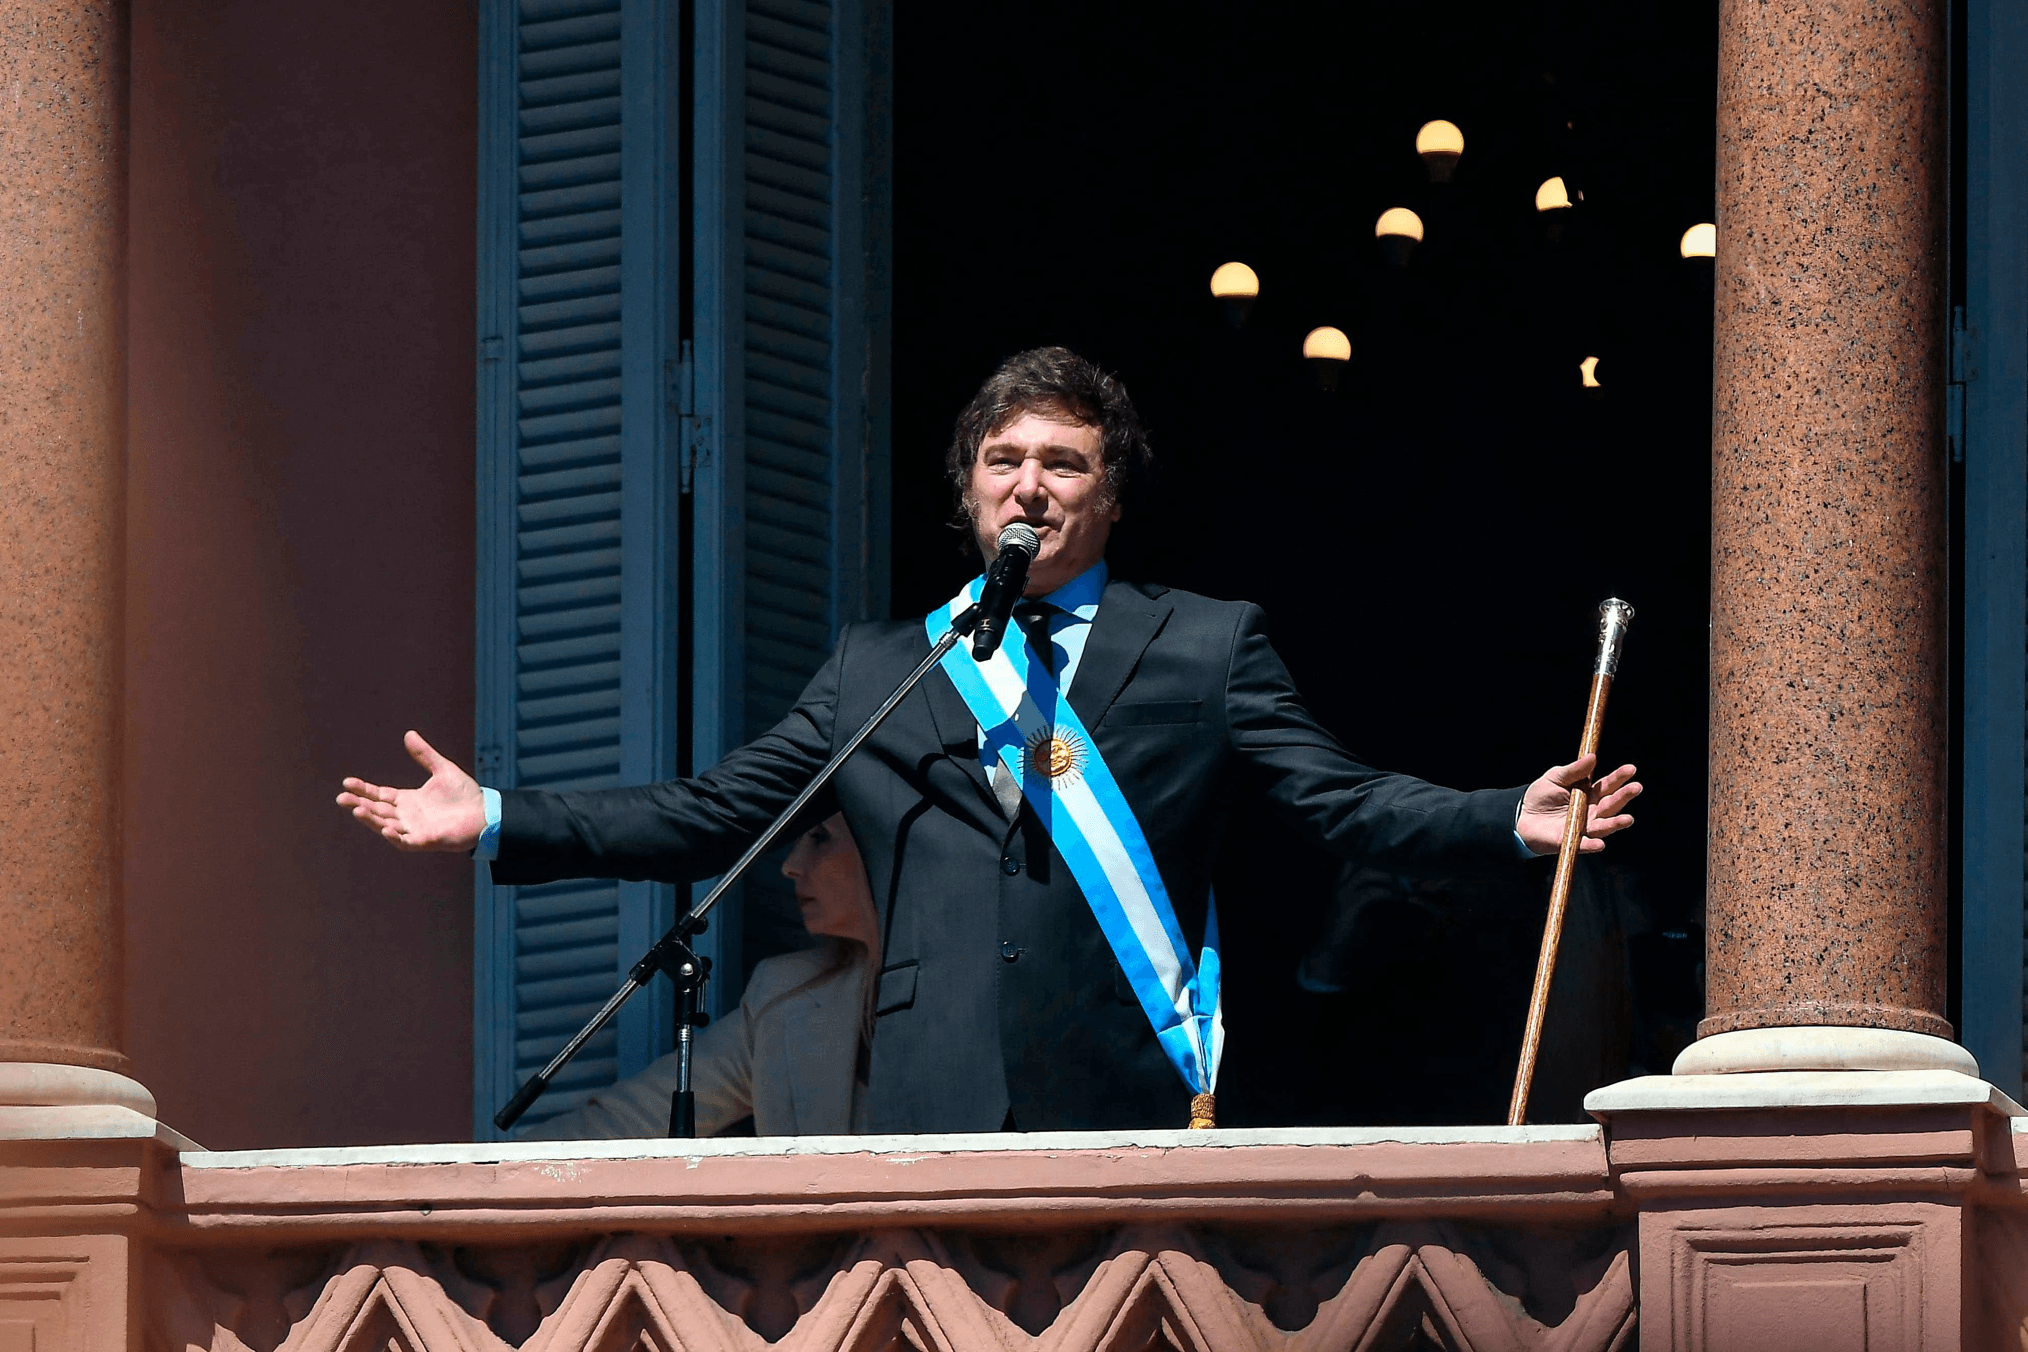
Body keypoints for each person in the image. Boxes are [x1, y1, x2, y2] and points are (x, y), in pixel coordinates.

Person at [339, 346, 1641, 1133]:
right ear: (969, 491)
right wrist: (500, 814)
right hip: (929, 1084)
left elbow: (1340, 801)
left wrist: (1501, 819)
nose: (1031, 485)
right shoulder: (886, 669)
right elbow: (714, 812)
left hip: (1127, 1079)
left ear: (1111, 495)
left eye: (1065, 464)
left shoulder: (1203, 642)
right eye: (1004, 461)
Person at [524, 812, 877, 1139]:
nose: (790, 866)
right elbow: (632, 1118)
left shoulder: (932, 1001)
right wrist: (485, 1173)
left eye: (819, 837)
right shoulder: (785, 996)